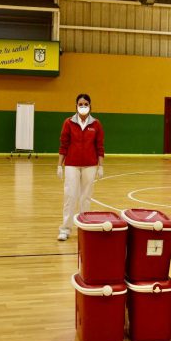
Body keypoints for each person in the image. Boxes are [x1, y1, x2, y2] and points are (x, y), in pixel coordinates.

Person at [57, 94, 105, 241]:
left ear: (90, 106)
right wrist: (60, 165)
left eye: (86, 104)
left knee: (86, 197)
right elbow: (63, 144)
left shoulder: (96, 124)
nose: (83, 106)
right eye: (80, 104)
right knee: (70, 196)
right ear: (76, 106)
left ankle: (84, 228)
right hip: (72, 165)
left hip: (90, 165)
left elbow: (100, 146)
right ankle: (65, 229)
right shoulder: (68, 123)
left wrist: (101, 166)